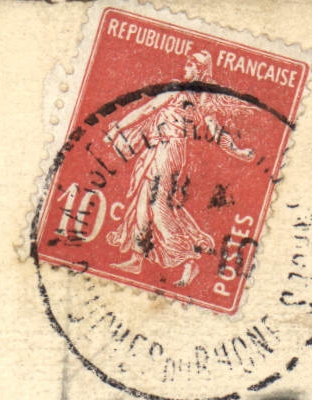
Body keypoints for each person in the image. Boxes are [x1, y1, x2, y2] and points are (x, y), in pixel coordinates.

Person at [102, 51, 256, 287]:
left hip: (167, 151)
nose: (186, 66)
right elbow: (214, 132)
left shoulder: (188, 95)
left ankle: (188, 258)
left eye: (192, 64)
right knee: (143, 202)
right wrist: (237, 151)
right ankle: (137, 257)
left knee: (158, 206)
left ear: (201, 70)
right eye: (188, 62)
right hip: (159, 149)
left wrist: (116, 129)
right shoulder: (200, 98)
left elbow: (147, 111)